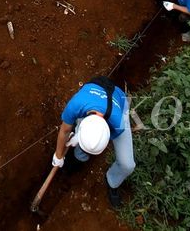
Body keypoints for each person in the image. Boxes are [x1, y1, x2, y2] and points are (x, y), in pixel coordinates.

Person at [52, 76, 135, 209]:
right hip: (92, 94)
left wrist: (89, 139)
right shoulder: (76, 104)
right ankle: (80, 157)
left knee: (127, 164)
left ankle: (112, 182)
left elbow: (108, 138)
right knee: (83, 148)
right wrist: (58, 155)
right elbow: (64, 130)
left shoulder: (118, 122)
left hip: (119, 102)